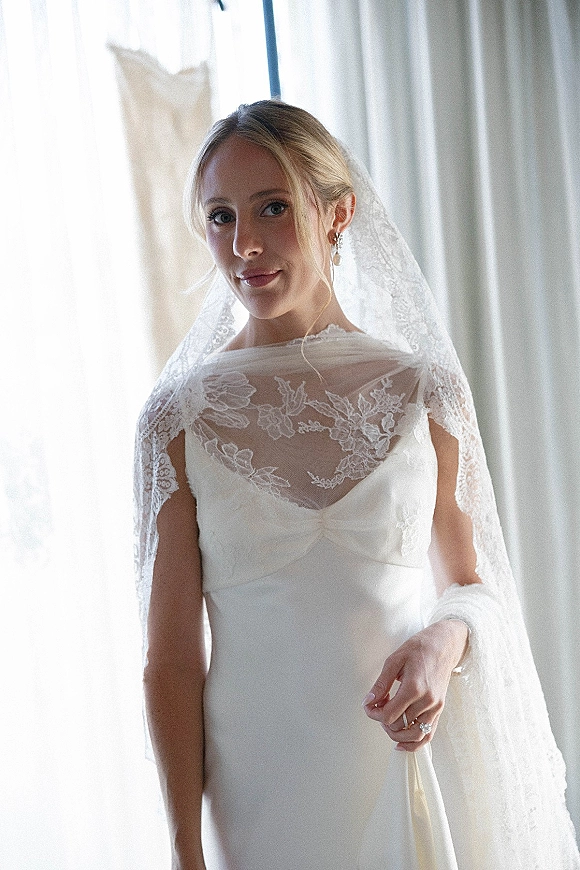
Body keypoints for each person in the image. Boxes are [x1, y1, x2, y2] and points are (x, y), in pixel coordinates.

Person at [134, 100, 579, 870]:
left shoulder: (424, 392)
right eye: (219, 217)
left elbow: (472, 585)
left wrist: (442, 642)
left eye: (273, 208)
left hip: (406, 761)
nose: (245, 245)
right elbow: (171, 660)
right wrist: (182, 850)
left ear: (337, 213)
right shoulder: (176, 419)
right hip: (260, 787)